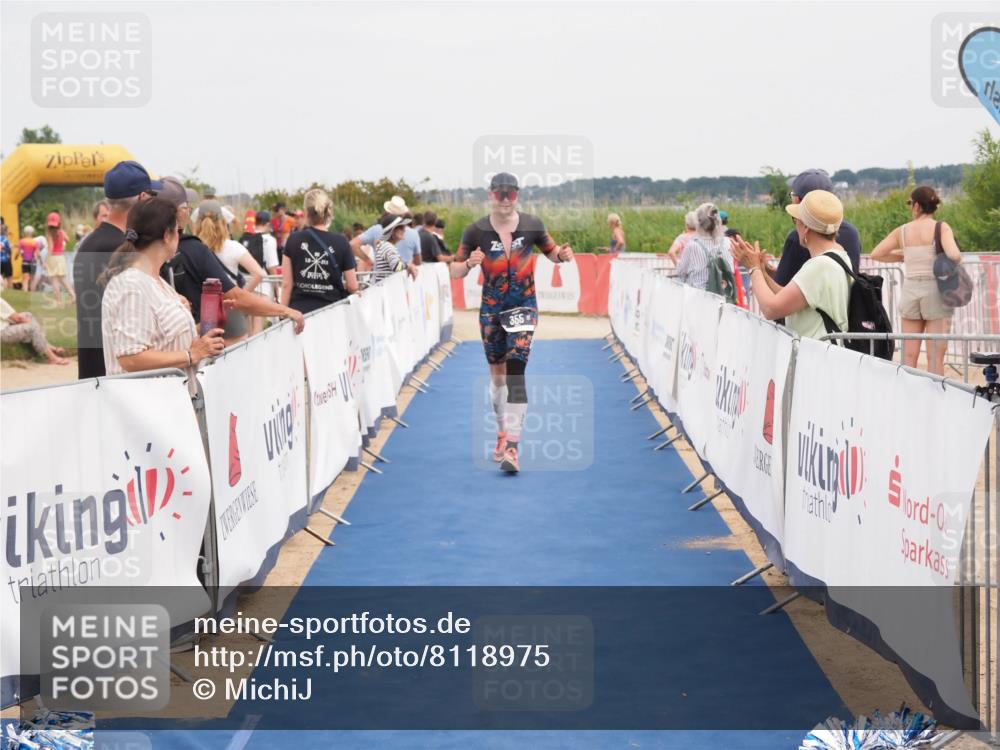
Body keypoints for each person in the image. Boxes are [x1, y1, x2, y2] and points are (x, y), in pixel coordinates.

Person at [451, 172, 574, 474]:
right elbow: (454, 271)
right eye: (499, 194)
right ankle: (501, 431)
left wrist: (562, 255)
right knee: (498, 378)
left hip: (523, 306)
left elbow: (552, 253)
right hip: (491, 309)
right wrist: (468, 264)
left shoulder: (532, 225)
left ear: (517, 195)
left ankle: (513, 449)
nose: (505, 200)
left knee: (517, 371)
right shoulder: (475, 231)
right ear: (491, 195)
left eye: (511, 194)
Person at [156, 178, 305, 337]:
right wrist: (284, 310)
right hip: (198, 337)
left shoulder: (140, 247)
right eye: (186, 207)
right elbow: (238, 295)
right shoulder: (196, 249)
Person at [99, 198, 226, 376]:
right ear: (167, 235)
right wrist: (191, 355)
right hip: (147, 400)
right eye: (178, 230)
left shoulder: (155, 280)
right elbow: (131, 357)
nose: (180, 237)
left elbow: (163, 340)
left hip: (169, 396)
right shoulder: (132, 286)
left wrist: (203, 335)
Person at [75, 160, 163, 379]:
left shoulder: (89, 242)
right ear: (143, 198)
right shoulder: (122, 249)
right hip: (116, 370)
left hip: (91, 367)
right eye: (152, 196)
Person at [732, 190, 851, 341]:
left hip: (814, 356)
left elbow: (771, 309)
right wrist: (762, 271)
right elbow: (788, 297)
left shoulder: (819, 266)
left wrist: (753, 268)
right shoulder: (839, 256)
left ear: (806, 228)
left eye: (796, 221)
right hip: (826, 354)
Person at [870, 186, 961, 375]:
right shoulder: (941, 227)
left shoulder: (902, 231)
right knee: (935, 357)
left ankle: (909, 398)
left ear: (917, 206)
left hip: (910, 290)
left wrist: (904, 256)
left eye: (910, 203)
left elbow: (876, 253)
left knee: (909, 356)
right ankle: (935, 398)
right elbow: (954, 255)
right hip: (935, 291)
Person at [771, 169, 861, 285]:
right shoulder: (851, 233)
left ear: (798, 200)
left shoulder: (799, 237)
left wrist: (755, 270)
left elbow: (783, 290)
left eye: (792, 196)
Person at [195, 200, 267, 343]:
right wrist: (240, 297)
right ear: (222, 222)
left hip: (202, 312)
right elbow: (259, 273)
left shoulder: (194, 248)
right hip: (230, 310)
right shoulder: (233, 247)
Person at [281, 188, 359, 313]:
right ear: (329, 212)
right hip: (332, 312)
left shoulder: (293, 239)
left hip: (300, 314)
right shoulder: (341, 242)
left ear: (306, 213)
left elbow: (286, 285)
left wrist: (283, 314)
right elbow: (352, 285)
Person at [351, 196, 421, 275]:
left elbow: (353, 244)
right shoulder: (413, 233)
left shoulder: (376, 231)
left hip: (382, 282)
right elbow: (414, 262)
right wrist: (408, 266)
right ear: (393, 231)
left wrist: (368, 261)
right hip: (402, 281)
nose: (404, 230)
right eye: (401, 228)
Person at [674, 203, 734, 290]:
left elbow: (681, 271)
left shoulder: (692, 245)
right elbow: (730, 269)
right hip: (722, 295)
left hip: (698, 296)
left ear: (698, 222)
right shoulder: (727, 242)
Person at [1, 296, 70, 365]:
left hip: (3, 325)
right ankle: (52, 358)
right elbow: (18, 319)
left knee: (28, 315)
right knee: (32, 327)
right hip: (2, 332)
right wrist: (31, 324)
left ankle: (46, 345)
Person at [44, 211, 75, 305]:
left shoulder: (50, 234)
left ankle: (58, 301)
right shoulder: (61, 232)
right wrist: (62, 243)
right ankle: (74, 295)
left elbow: (50, 248)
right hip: (61, 257)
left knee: (55, 280)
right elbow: (68, 240)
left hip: (53, 257)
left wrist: (46, 260)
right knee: (63, 279)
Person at [17, 226, 39, 291]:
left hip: (25, 262)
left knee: (25, 279)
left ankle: (25, 292)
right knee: (32, 279)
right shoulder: (35, 242)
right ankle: (32, 293)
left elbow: (18, 252)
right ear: (32, 233)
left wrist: (17, 256)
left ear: (25, 233)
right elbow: (37, 253)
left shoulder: (22, 241)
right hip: (33, 262)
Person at [0, 221, 11, 288]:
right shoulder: (6, 239)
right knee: (7, 277)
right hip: (5, 260)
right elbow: (8, 250)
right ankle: (6, 289)